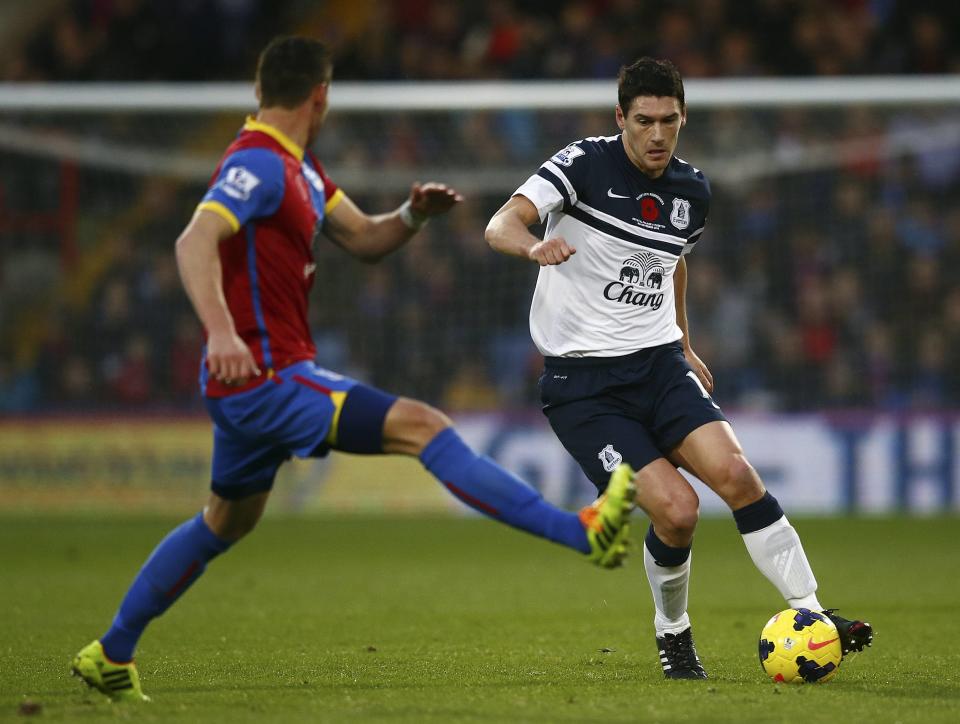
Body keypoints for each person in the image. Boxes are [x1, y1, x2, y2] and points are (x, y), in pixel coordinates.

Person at [70, 36, 637, 703]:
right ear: (321, 95)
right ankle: (579, 530)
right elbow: (195, 238)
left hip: (254, 386)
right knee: (423, 427)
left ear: (262, 89)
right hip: (269, 376)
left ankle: (110, 652)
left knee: (226, 520)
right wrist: (221, 331)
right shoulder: (257, 164)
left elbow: (365, 238)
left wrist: (410, 217)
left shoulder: (300, 169)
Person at [484, 57, 873, 679]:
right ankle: (673, 633)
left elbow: (673, 262)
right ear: (621, 119)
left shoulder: (693, 190)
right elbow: (499, 222)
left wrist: (685, 343)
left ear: (683, 117)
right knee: (678, 510)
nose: (658, 135)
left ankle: (814, 615)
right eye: (644, 121)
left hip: (660, 365)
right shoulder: (581, 165)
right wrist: (534, 244)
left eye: (670, 121)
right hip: (585, 387)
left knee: (739, 477)